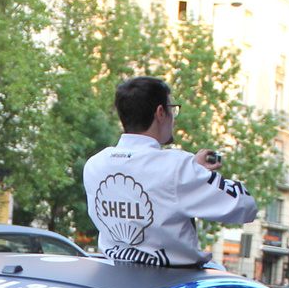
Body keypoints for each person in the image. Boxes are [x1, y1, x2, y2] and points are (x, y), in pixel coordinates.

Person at [82, 75, 257, 267]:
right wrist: (199, 173)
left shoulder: (94, 164)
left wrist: (193, 172)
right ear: (160, 113)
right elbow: (245, 206)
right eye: (172, 109)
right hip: (175, 283)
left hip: (114, 275)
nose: (173, 117)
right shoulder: (178, 167)